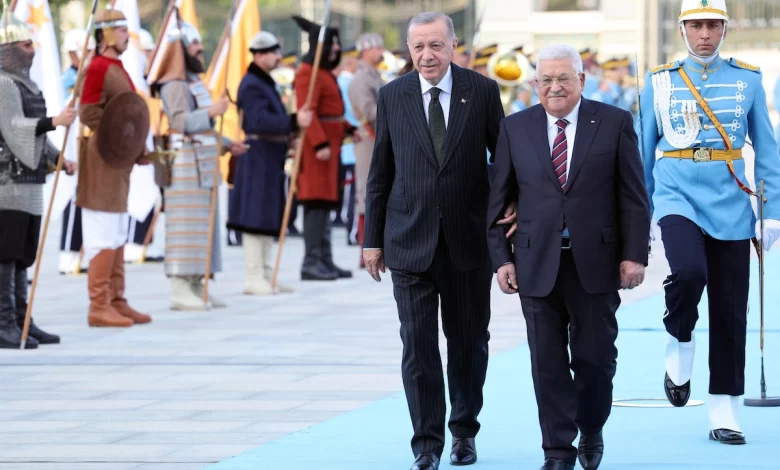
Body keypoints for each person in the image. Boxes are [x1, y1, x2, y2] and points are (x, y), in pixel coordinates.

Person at [488, 43, 650, 470]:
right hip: (535, 263)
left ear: (582, 80)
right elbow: (498, 200)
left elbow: (633, 196)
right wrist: (501, 260)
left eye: (563, 78)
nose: (554, 86)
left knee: (595, 360)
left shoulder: (614, 122)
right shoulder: (515, 128)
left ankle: (591, 427)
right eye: (546, 79)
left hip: (595, 263)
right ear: (535, 83)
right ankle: (557, 451)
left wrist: (635, 255)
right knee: (547, 365)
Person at [363, 12, 506, 470]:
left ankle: (464, 432)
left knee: (468, 344)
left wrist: (509, 217)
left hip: (468, 243)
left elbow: (502, 163)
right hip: (408, 241)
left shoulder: (481, 91)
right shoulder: (393, 96)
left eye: (436, 46)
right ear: (409, 49)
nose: (427, 55)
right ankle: (426, 444)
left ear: (453, 46)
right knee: (418, 348)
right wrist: (372, 240)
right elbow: (380, 172)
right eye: (418, 46)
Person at [639, 0, 780, 445]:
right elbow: (643, 148)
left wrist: (771, 211)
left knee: (730, 307)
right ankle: (678, 338)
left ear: (724, 29)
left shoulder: (748, 79)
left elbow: (768, 150)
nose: (704, 34)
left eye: (713, 25)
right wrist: (638, 215)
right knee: (688, 271)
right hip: (675, 190)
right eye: (696, 25)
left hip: (731, 197)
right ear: (682, 30)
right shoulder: (659, 81)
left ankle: (724, 408)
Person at [150, 21, 247, 310]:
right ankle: (181, 288)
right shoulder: (174, 84)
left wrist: (228, 143)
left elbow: (203, 128)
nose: (199, 48)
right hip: (185, 167)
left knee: (203, 230)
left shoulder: (192, 81)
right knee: (186, 229)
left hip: (202, 165)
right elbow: (180, 122)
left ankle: (196, 284)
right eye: (193, 44)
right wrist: (212, 111)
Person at [0, 10, 77, 348]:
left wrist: (57, 158)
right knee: (6, 254)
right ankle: (4, 323)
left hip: (28, 182)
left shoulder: (26, 85)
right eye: (26, 44)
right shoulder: (2, 84)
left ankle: (21, 319)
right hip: (6, 183)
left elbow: (36, 137)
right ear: (9, 49)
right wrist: (55, 121)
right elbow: (14, 129)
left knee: (22, 253)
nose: (32, 50)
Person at [77, 9, 153, 328]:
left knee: (118, 230)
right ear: (106, 33)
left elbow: (125, 113)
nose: (126, 36)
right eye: (121, 30)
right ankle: (99, 305)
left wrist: (135, 146)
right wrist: (119, 141)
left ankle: (116, 300)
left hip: (118, 160)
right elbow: (89, 112)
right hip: (101, 159)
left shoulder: (116, 66)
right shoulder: (96, 67)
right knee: (102, 231)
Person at [227, 31, 312, 296]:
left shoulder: (264, 82)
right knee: (255, 218)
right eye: (274, 53)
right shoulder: (252, 84)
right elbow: (258, 121)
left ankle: (265, 273)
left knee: (266, 216)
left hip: (270, 156)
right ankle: (254, 276)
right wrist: (294, 121)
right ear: (260, 55)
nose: (278, 57)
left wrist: (289, 137)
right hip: (257, 156)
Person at [292, 15, 359, 281]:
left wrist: (348, 129)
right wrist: (319, 141)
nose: (336, 50)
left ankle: (325, 258)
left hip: (331, 148)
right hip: (315, 150)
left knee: (327, 205)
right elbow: (307, 113)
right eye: (332, 45)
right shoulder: (307, 73)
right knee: (315, 206)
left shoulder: (323, 73)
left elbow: (331, 112)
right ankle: (311, 261)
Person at [59, 29, 94, 276]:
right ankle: (68, 255)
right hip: (70, 144)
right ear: (74, 53)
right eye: (86, 51)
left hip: (86, 143)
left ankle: (80, 252)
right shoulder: (69, 80)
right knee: (73, 199)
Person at [348, 32, 384, 269]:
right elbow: (370, 111)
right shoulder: (361, 79)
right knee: (367, 191)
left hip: (378, 138)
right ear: (366, 50)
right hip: (369, 139)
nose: (381, 52)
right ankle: (365, 248)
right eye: (377, 48)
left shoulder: (374, 76)